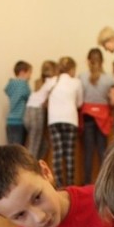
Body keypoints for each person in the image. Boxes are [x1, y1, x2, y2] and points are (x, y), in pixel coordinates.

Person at [79, 48, 114, 184]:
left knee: (88, 153)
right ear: (102, 61)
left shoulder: (82, 77)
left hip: (87, 115)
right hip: (103, 117)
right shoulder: (109, 79)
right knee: (102, 152)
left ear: (88, 61)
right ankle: (103, 184)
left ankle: (86, 183)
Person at [47, 56, 83, 187]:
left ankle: (58, 185)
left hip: (54, 120)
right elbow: (79, 103)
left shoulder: (51, 81)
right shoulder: (76, 82)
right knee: (69, 154)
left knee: (57, 153)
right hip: (70, 119)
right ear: (72, 69)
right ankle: (70, 185)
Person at [24, 60, 57, 160]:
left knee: (43, 145)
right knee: (34, 146)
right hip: (37, 113)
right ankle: (29, 170)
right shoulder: (54, 80)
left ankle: (35, 165)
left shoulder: (39, 82)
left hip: (28, 112)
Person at [5, 60, 32, 145]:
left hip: (10, 121)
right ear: (22, 72)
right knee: (18, 150)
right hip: (19, 120)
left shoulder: (11, 84)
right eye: (29, 73)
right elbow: (29, 98)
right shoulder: (23, 84)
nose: (30, 77)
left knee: (11, 148)